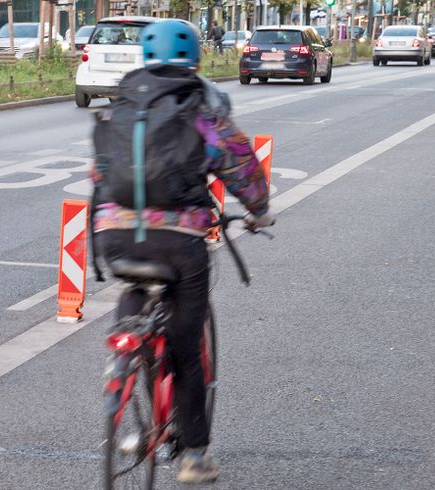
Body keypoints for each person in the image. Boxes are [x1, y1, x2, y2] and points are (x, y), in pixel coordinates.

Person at [91, 20, 274, 484]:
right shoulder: (201, 109)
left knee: (135, 284)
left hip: (113, 235)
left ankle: (123, 352)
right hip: (181, 240)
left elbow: (101, 172)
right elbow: (241, 167)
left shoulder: (119, 106)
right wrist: (258, 211)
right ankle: (194, 453)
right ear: (194, 60)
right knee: (187, 349)